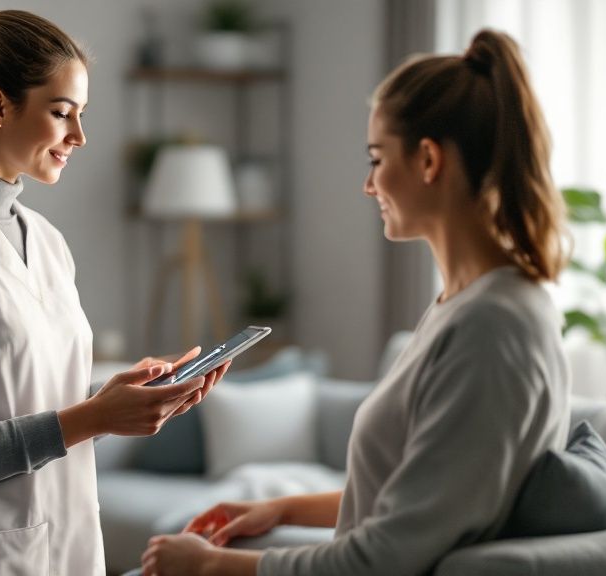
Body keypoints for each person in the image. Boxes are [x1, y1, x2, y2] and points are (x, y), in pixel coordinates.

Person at [140, 28, 571, 576]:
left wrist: (209, 567)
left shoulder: (494, 327)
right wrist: (280, 508)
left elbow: (384, 558)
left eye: (376, 158)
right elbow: (420, 502)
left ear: (429, 161)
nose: (368, 185)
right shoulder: (466, 306)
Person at [0, 2, 228, 575]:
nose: (80, 135)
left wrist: (114, 401)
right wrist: (95, 417)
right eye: (62, 113)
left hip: (63, 549)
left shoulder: (45, 241)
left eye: (81, 114)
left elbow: (27, 404)